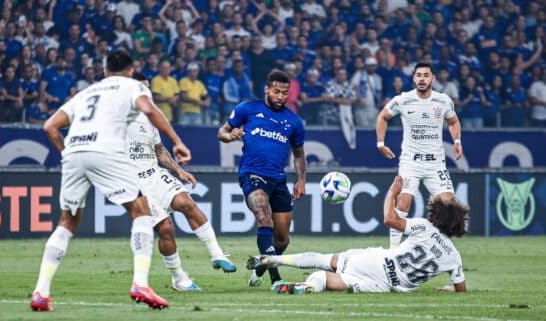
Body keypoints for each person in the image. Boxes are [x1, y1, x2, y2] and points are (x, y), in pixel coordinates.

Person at [30, 50, 191, 312]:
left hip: (74, 151)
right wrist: (177, 141)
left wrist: (69, 156)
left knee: (67, 222)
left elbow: (49, 126)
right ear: (131, 70)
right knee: (142, 212)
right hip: (106, 151)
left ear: (104, 71)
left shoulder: (86, 93)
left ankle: (41, 292)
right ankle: (140, 283)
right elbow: (149, 110)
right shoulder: (134, 86)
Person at [246, 176, 468, 295]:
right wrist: (451, 288)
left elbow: (390, 219)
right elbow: (461, 289)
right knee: (324, 279)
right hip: (385, 286)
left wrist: (392, 193)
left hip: (376, 262)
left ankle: (272, 259)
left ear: (437, 216)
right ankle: (307, 288)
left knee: (325, 260)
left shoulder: (424, 227)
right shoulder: (454, 257)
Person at [129, 73, 235, 292]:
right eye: (142, 89)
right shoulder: (116, 118)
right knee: (166, 227)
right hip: (133, 182)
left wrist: (179, 171)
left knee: (187, 203)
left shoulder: (150, 118)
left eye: (148, 89)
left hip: (154, 173)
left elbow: (159, 150)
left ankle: (216, 254)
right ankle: (179, 278)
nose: (146, 93)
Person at [217, 70, 307, 287]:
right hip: (252, 174)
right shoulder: (247, 109)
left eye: (285, 93)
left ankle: (260, 268)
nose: (281, 97)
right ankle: (276, 280)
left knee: (282, 240)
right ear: (267, 89)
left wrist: (301, 178)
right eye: (277, 91)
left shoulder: (294, 122)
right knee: (263, 216)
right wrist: (230, 136)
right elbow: (222, 131)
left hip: (278, 179)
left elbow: (299, 154)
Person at [376, 62, 463, 249]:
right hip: (410, 163)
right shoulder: (403, 100)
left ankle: (441, 249)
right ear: (413, 79)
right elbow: (383, 116)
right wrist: (380, 144)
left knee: (449, 204)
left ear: (433, 79)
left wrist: (457, 142)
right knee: (403, 202)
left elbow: (454, 122)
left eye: (426, 75)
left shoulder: (443, 101)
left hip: (436, 165)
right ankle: (393, 251)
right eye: (418, 75)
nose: (422, 79)